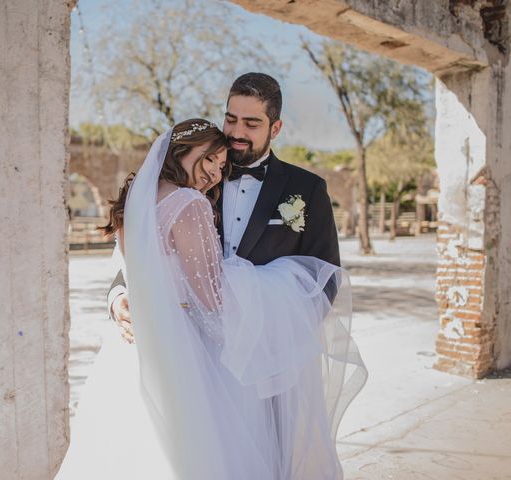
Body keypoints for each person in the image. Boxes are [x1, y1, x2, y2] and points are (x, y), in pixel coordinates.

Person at [56, 114, 367, 478]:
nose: (217, 174)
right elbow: (211, 298)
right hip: (184, 347)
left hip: (132, 349)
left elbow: (143, 269)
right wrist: (253, 325)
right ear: (184, 149)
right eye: (210, 159)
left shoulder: (135, 203)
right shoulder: (190, 202)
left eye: (222, 166)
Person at [108, 72, 341, 343]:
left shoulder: (308, 188)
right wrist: (117, 297)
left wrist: (282, 341)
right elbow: (142, 244)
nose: (237, 132)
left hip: (268, 347)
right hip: (190, 346)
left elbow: (325, 279)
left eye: (251, 124)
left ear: (275, 129)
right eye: (231, 120)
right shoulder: (192, 181)